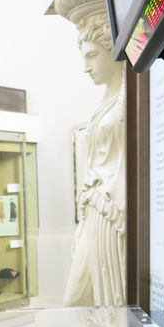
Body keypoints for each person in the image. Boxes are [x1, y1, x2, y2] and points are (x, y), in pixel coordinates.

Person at [63, 19, 125, 306]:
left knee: (109, 299)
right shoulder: (105, 102)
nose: (86, 66)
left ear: (113, 51)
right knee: (77, 300)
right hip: (95, 209)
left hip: (115, 211)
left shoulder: (126, 102)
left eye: (91, 55)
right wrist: (82, 223)